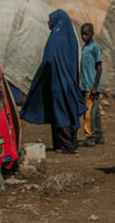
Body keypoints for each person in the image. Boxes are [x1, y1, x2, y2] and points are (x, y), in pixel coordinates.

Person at [20, 9, 86, 154]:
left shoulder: (55, 38)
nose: (48, 22)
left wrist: (42, 74)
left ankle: (66, 146)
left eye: (50, 20)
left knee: (60, 112)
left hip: (57, 82)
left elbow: (49, 60)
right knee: (69, 110)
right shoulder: (70, 38)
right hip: (70, 81)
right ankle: (68, 144)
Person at [79, 23, 104, 146]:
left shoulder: (95, 47)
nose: (83, 36)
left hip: (91, 86)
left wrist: (95, 86)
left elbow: (99, 67)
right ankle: (98, 135)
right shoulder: (85, 47)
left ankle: (89, 137)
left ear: (92, 34)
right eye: (82, 34)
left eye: (86, 34)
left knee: (88, 113)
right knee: (95, 112)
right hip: (86, 85)